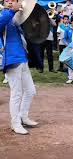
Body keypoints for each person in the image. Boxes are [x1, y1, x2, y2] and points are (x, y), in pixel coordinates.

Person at [0, 0, 38, 135]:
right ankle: (15, 123)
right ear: (3, 3)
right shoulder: (4, 14)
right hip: (11, 59)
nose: (11, 2)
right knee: (16, 93)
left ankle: (23, 116)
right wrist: (12, 11)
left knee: (30, 91)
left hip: (22, 58)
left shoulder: (15, 17)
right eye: (8, 1)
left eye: (13, 1)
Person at [64, 15, 73, 84]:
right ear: (71, 22)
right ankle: (70, 78)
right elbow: (65, 39)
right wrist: (68, 46)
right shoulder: (67, 29)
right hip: (70, 49)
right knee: (70, 63)